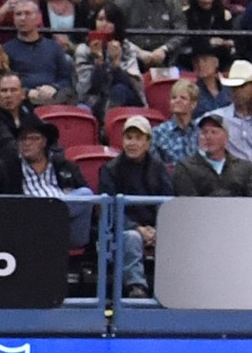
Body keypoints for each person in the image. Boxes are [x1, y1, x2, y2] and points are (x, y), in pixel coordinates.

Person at [99, 114, 173, 297]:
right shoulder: (110, 170)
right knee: (132, 238)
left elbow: (169, 203)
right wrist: (137, 228)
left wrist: (157, 228)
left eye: (138, 138)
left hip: (155, 226)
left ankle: (175, 289)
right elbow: (110, 211)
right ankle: (136, 287)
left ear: (148, 142)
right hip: (124, 228)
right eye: (128, 137)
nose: (132, 143)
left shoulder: (159, 168)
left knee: (174, 236)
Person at [172, 110, 252, 194]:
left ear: (226, 138)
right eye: (204, 132)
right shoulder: (185, 168)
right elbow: (188, 203)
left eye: (214, 132)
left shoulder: (245, 168)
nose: (208, 137)